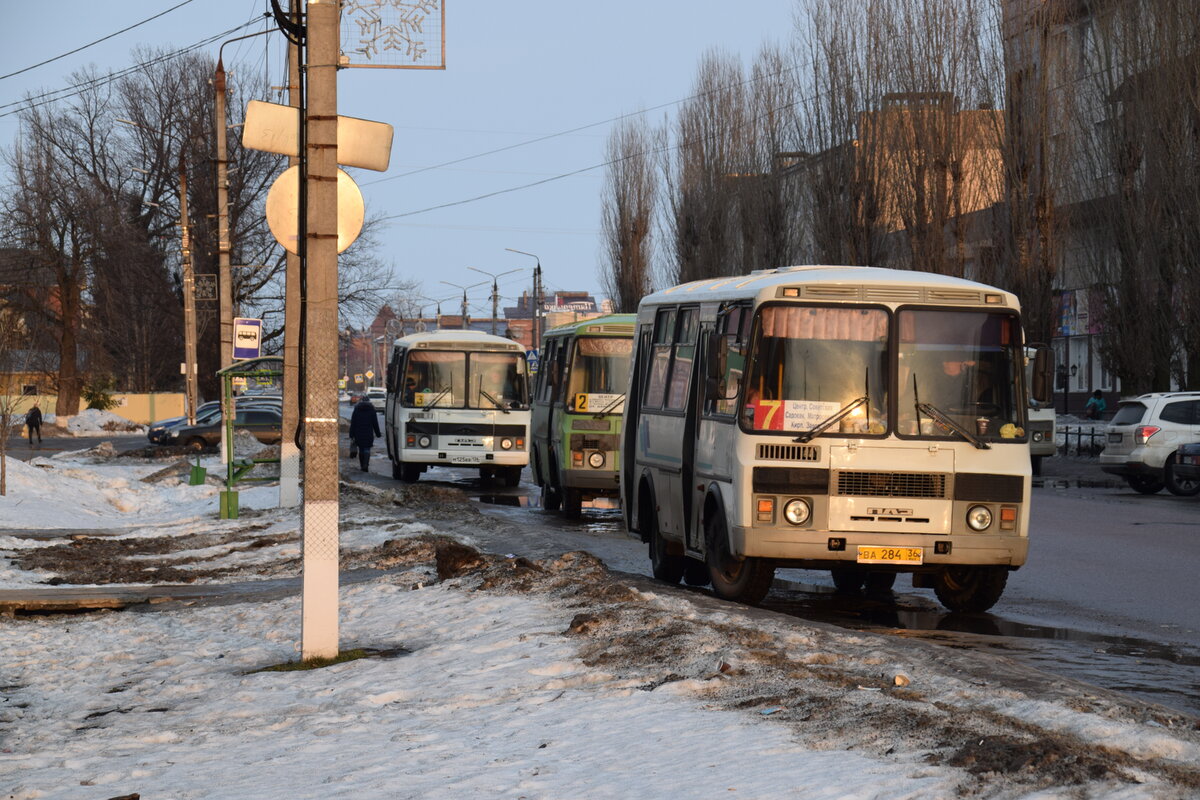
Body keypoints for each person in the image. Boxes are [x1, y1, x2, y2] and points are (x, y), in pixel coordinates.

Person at [348, 395, 381, 472]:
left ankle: (362, 465)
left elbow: (353, 423)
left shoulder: (356, 409)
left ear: (361, 401)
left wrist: (351, 434)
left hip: (358, 433)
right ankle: (365, 465)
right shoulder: (372, 410)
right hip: (368, 433)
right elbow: (375, 423)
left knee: (361, 449)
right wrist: (378, 433)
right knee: (367, 449)